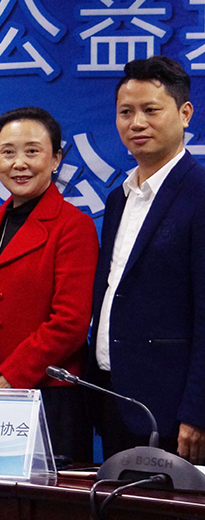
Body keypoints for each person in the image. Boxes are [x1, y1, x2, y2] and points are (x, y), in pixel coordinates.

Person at [0, 107, 98, 462]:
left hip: (48, 396)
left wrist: (11, 378)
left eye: (32, 151)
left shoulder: (73, 226)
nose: (19, 163)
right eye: (8, 152)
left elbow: (70, 323)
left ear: (56, 159)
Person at [89, 55, 205, 464]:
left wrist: (198, 410)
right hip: (114, 395)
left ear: (185, 113)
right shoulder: (118, 199)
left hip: (175, 411)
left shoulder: (199, 193)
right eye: (126, 112)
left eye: (151, 110)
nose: (136, 123)